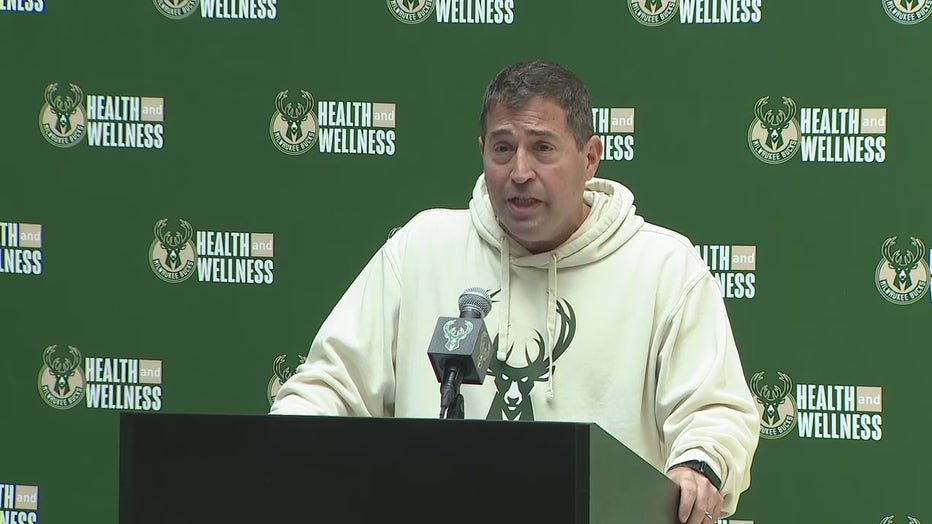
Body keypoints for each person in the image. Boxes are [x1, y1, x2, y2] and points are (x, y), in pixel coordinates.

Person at [270, 60, 760, 524]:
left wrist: (699, 466)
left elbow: (715, 413)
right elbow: (331, 385)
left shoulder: (664, 267)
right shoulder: (422, 247)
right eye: (502, 149)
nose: (520, 171)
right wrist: (279, 448)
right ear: (482, 151)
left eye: (542, 148)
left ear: (590, 157)